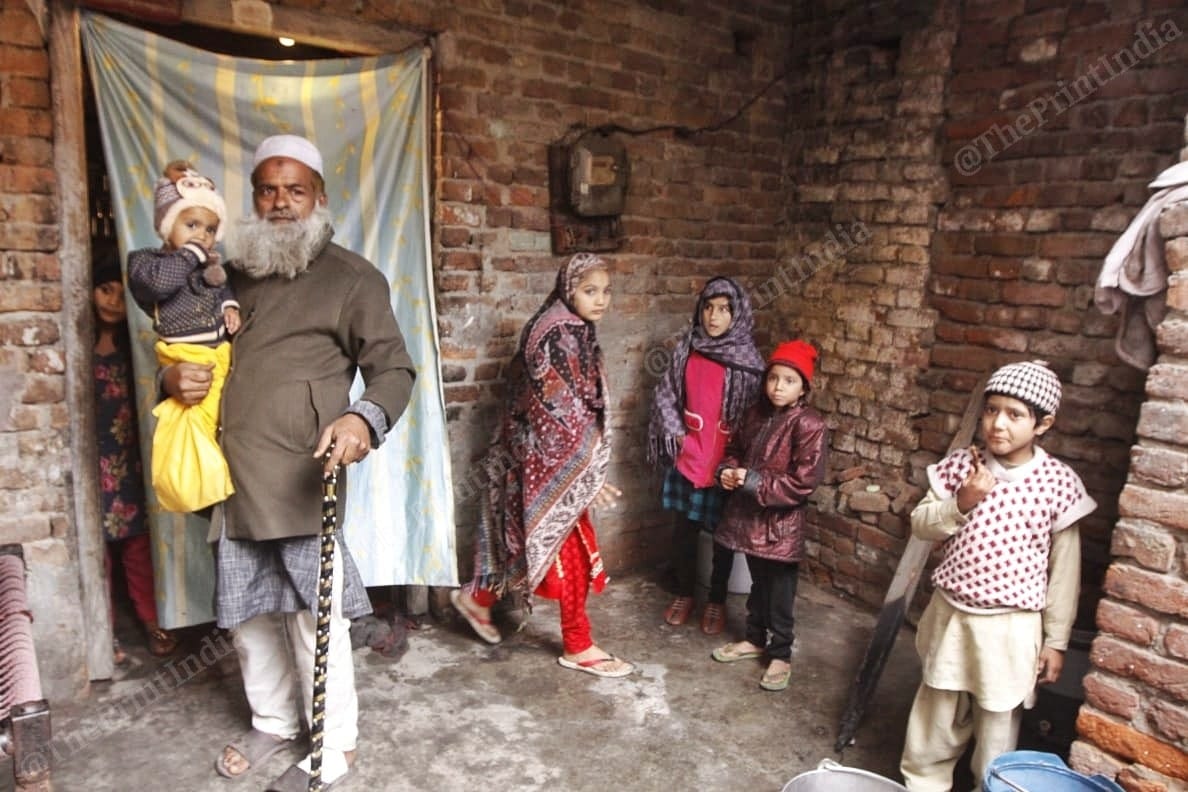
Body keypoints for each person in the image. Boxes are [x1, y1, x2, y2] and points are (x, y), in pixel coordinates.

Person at [162, 134, 415, 791]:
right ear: (253, 199)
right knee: (247, 614)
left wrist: (362, 419)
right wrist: (171, 381)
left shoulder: (353, 278)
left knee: (312, 614)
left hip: (305, 470)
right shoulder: (226, 273)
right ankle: (273, 720)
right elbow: (182, 343)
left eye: (294, 190)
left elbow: (394, 369)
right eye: (267, 190)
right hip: (228, 469)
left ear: (319, 198)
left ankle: (339, 739)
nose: (280, 203)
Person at [899, 360, 1096, 791]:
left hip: (1010, 629)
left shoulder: (1057, 483)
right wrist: (962, 501)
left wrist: (1056, 641)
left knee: (997, 729)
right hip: (951, 616)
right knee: (934, 722)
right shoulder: (958, 469)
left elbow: (1065, 574)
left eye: (1014, 414)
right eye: (991, 410)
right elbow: (921, 525)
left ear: (1043, 424)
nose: (997, 424)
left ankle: (990, 785)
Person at [450, 253, 634, 679]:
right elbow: (559, 412)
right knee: (568, 552)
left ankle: (478, 598)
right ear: (570, 289)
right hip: (544, 464)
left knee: (520, 538)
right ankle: (578, 644)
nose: (601, 299)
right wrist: (585, 474)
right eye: (590, 291)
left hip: (535, 461)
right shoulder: (559, 335)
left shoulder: (569, 326)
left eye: (606, 291)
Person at [646, 276, 764, 634]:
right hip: (691, 453)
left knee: (723, 536)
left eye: (724, 310)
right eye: (708, 308)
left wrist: (741, 459)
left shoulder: (750, 362)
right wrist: (677, 435)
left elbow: (757, 417)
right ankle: (684, 592)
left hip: (726, 462)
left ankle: (716, 600)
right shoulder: (687, 350)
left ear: (738, 314)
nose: (713, 317)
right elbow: (666, 394)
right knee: (684, 530)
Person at [709, 340, 828, 692]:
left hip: (780, 526)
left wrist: (753, 481)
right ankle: (754, 638)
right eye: (773, 378)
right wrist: (727, 472)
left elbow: (802, 483)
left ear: (804, 387)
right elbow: (734, 452)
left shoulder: (809, 425)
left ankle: (781, 653)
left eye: (789, 380)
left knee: (779, 591)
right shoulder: (754, 414)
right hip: (748, 517)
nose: (778, 387)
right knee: (758, 582)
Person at [127, 161, 240, 513]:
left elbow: (222, 289)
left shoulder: (211, 267)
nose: (201, 236)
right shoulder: (146, 263)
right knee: (191, 427)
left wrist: (230, 306)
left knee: (216, 421)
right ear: (165, 226)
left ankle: (217, 482)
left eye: (209, 229)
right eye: (191, 225)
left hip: (219, 355)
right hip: (184, 357)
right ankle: (204, 490)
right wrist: (192, 253)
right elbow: (160, 284)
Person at [92, 246, 179, 661]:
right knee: (97, 554)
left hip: (131, 459)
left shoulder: (138, 350)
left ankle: (150, 620)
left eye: (118, 292)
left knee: (137, 547)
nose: (111, 300)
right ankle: (101, 633)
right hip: (91, 462)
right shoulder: (80, 349)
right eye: (102, 290)